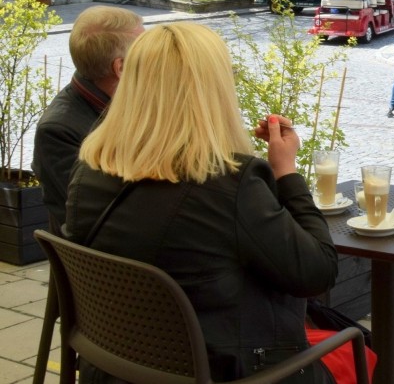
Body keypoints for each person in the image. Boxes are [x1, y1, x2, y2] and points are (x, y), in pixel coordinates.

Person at [63, 23, 345, 383]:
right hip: (222, 371)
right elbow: (318, 272)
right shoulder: (229, 184)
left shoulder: (90, 169)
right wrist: (286, 172)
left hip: (119, 367)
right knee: (363, 355)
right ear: (214, 91)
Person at [32, 6, 144, 232]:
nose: (156, 58)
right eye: (146, 52)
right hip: (102, 261)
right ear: (120, 67)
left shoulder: (131, 100)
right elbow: (92, 219)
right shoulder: (57, 131)